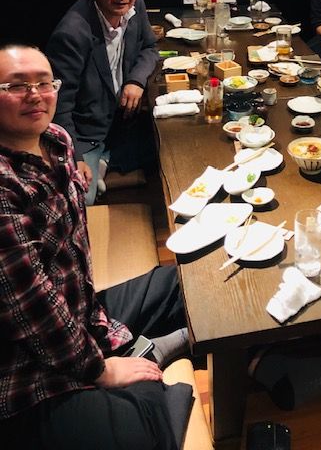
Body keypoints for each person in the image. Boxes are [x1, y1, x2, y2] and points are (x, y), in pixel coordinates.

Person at [0, 44, 190, 449]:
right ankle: (144, 356)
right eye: (16, 86)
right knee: (147, 418)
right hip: (24, 364)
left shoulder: (55, 141)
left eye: (44, 83)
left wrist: (96, 339)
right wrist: (100, 370)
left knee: (187, 283)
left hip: (83, 312)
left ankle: (142, 351)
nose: (35, 95)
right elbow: (33, 309)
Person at [46, 0, 159, 205]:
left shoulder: (137, 6)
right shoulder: (72, 33)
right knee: (82, 197)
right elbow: (59, 107)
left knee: (170, 144)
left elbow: (150, 48)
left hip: (122, 122)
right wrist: (77, 158)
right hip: (87, 135)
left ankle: (106, 162)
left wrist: (136, 80)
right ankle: (101, 162)